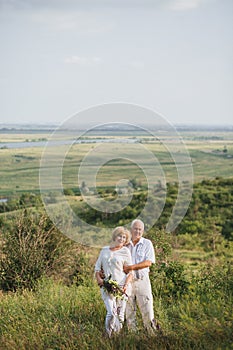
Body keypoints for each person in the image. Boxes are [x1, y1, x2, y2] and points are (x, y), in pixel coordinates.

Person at [95, 226, 133, 338]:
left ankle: (116, 337)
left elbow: (130, 272)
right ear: (115, 237)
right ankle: (107, 335)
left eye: (124, 237)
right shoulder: (105, 250)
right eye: (119, 236)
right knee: (111, 312)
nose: (121, 239)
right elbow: (97, 268)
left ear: (126, 240)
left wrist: (125, 286)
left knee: (120, 314)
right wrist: (100, 280)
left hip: (121, 286)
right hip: (107, 285)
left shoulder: (125, 251)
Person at [123, 219, 159, 334]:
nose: (137, 231)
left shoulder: (147, 243)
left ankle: (152, 337)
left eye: (140, 229)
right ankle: (133, 338)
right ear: (131, 230)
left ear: (143, 231)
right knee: (129, 312)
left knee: (147, 310)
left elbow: (148, 262)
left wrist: (130, 268)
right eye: (135, 229)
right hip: (127, 283)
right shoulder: (125, 245)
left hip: (142, 281)